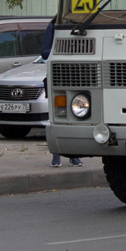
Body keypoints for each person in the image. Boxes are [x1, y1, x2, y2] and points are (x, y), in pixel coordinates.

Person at [42, 21, 82, 167]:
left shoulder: (83, 27)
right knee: (57, 116)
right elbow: (45, 52)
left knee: (77, 117)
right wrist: (61, 50)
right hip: (58, 77)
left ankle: (74, 155)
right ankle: (56, 154)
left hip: (79, 78)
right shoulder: (54, 26)